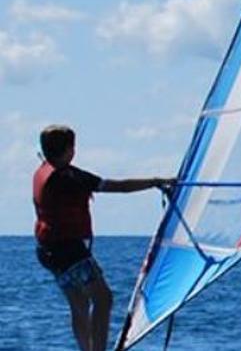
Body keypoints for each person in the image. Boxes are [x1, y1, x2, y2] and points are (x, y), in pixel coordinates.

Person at [32, 125, 173, 351]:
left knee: (79, 303)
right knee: (103, 299)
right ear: (69, 150)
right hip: (69, 250)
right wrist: (157, 181)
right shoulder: (67, 177)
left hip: (48, 250)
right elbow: (118, 187)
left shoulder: (43, 171)